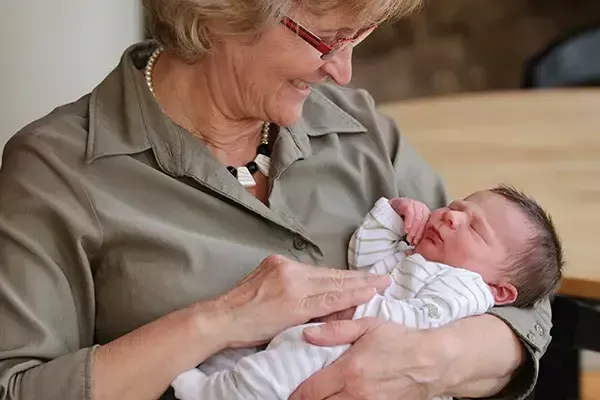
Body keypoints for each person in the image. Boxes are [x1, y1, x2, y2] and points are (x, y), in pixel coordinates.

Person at [0, 0, 553, 399]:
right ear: (225, 11)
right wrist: (219, 320)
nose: (342, 70)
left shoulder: (356, 126)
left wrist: (435, 362)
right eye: (326, 40)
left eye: (356, 40)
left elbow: (518, 292)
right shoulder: (58, 170)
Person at [170, 185, 564, 400]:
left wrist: (359, 306)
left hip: (356, 353)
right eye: (455, 207)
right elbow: (363, 255)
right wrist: (393, 216)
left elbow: (419, 322)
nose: (451, 216)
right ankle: (217, 379)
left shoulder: (465, 290)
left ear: (498, 289)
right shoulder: (413, 255)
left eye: (475, 229)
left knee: (273, 374)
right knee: (250, 351)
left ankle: (214, 394)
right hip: (330, 336)